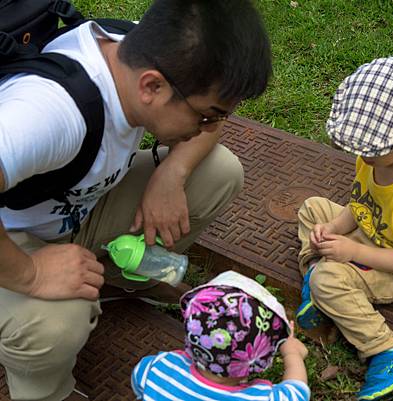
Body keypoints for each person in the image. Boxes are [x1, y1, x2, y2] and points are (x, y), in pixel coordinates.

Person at [0, 1, 272, 400]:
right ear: (152, 87)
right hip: (13, 241)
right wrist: (31, 274)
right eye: (205, 116)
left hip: (71, 211)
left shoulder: (139, 47)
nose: (209, 127)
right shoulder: (50, 112)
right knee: (57, 322)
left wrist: (171, 174)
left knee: (217, 173)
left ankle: (113, 283)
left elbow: (207, 133)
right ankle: (45, 390)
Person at [295, 57, 393, 400]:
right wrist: (333, 229)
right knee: (312, 209)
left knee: (330, 280)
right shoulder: (373, 159)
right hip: (376, 235)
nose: (363, 155)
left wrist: (352, 252)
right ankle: (317, 278)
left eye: (373, 149)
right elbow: (360, 204)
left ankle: (389, 352)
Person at [131, 270, 310, 400]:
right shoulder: (262, 398)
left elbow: (138, 384)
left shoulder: (158, 367)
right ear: (260, 359)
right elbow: (297, 392)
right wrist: (292, 353)